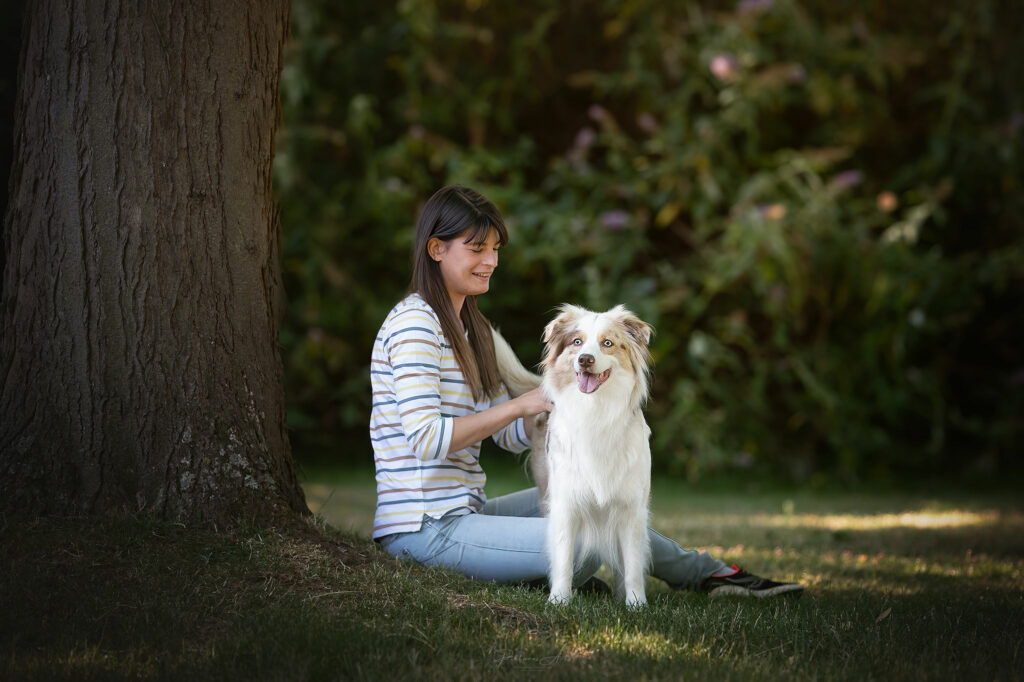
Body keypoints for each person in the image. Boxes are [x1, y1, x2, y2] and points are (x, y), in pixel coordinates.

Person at [369, 185, 804, 599]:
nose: (491, 261)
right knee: (583, 545)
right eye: (477, 248)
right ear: (436, 249)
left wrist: (569, 410)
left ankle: (708, 574)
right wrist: (526, 402)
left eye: (496, 249)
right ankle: (554, 578)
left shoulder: (470, 328)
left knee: (602, 509)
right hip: (423, 527)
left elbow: (504, 435)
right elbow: (426, 440)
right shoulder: (416, 327)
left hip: (468, 512)